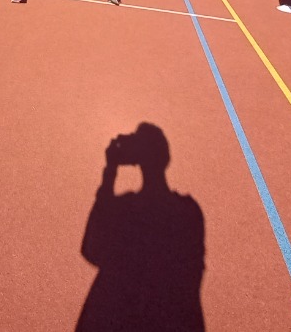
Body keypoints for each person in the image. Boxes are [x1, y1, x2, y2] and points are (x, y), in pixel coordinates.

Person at [76, 123, 205, 331]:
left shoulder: (125, 209)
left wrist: (110, 172)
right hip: (172, 319)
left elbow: (91, 249)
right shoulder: (188, 211)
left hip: (121, 318)